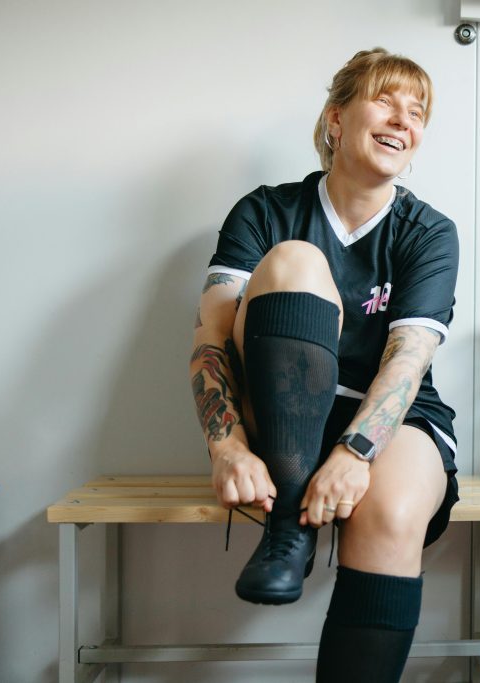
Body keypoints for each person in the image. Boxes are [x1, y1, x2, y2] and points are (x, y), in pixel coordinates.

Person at [189, 48, 459, 682]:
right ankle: (289, 527)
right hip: (276, 411)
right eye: (385, 101)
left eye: (417, 111)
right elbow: (211, 337)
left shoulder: (428, 231)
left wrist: (356, 452)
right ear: (335, 120)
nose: (403, 119)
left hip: (387, 415)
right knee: (294, 261)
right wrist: (225, 448)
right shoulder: (264, 210)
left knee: (393, 513)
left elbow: (410, 357)